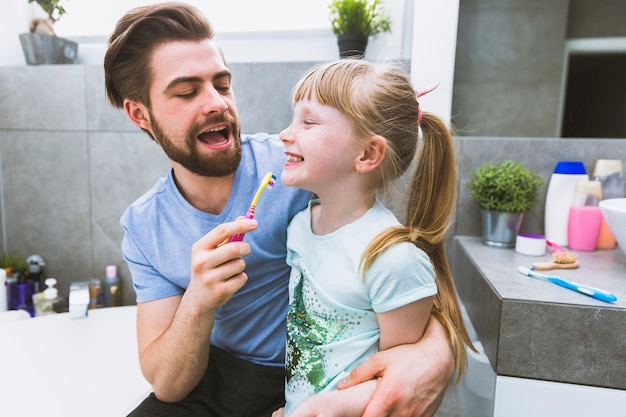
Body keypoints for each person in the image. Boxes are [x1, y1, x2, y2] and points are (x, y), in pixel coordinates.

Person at [103, 3, 455, 416]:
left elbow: (399, 277)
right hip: (211, 381)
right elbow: (168, 384)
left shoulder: (301, 170)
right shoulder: (146, 226)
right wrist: (198, 300)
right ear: (140, 114)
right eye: (186, 91)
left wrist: (436, 358)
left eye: (222, 83)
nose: (216, 103)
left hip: (306, 383)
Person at [272, 60, 475, 417]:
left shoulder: (391, 259)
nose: (285, 134)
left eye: (308, 121)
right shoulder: (300, 227)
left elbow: (399, 379)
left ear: (367, 154)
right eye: (293, 119)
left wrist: (325, 409)